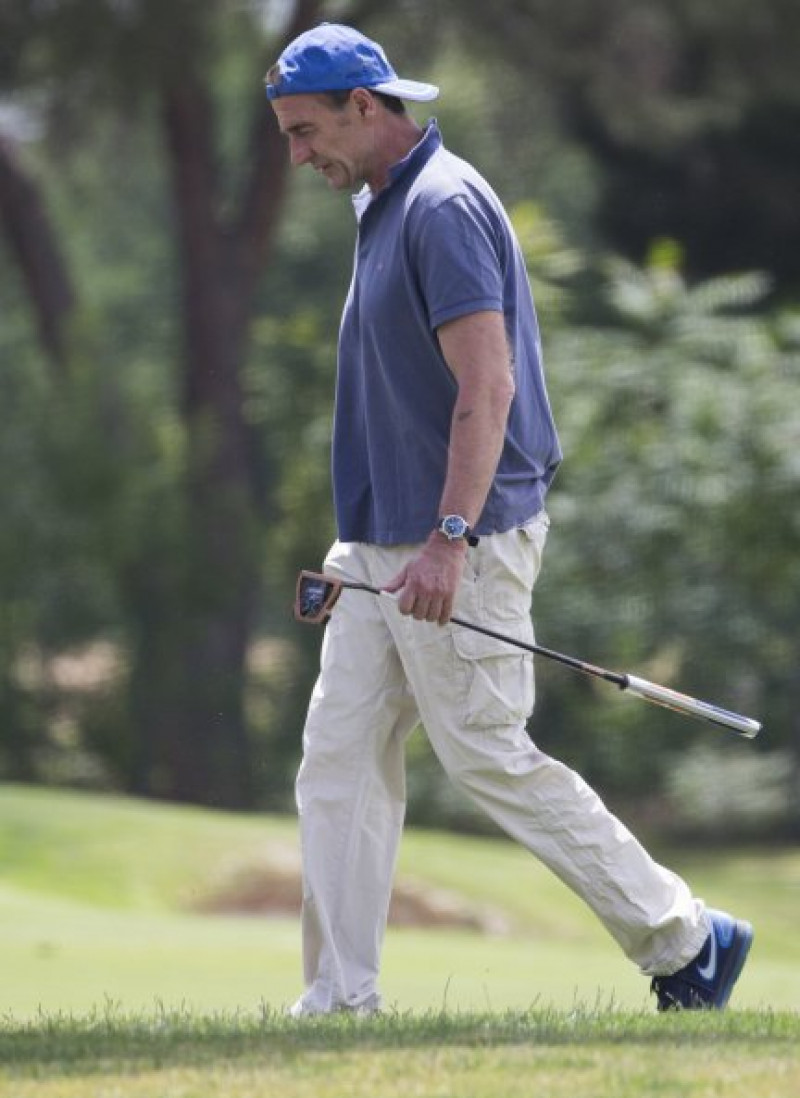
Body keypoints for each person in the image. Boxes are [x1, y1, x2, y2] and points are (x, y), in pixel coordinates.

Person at [265, 23, 752, 1017]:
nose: (296, 154)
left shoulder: (439, 209)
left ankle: (685, 939)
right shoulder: (383, 203)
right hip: (378, 546)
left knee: (486, 752)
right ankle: (339, 1001)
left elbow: (484, 388)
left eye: (305, 131)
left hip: (455, 541)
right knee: (338, 758)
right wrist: (356, 545)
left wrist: (447, 539)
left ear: (367, 106)